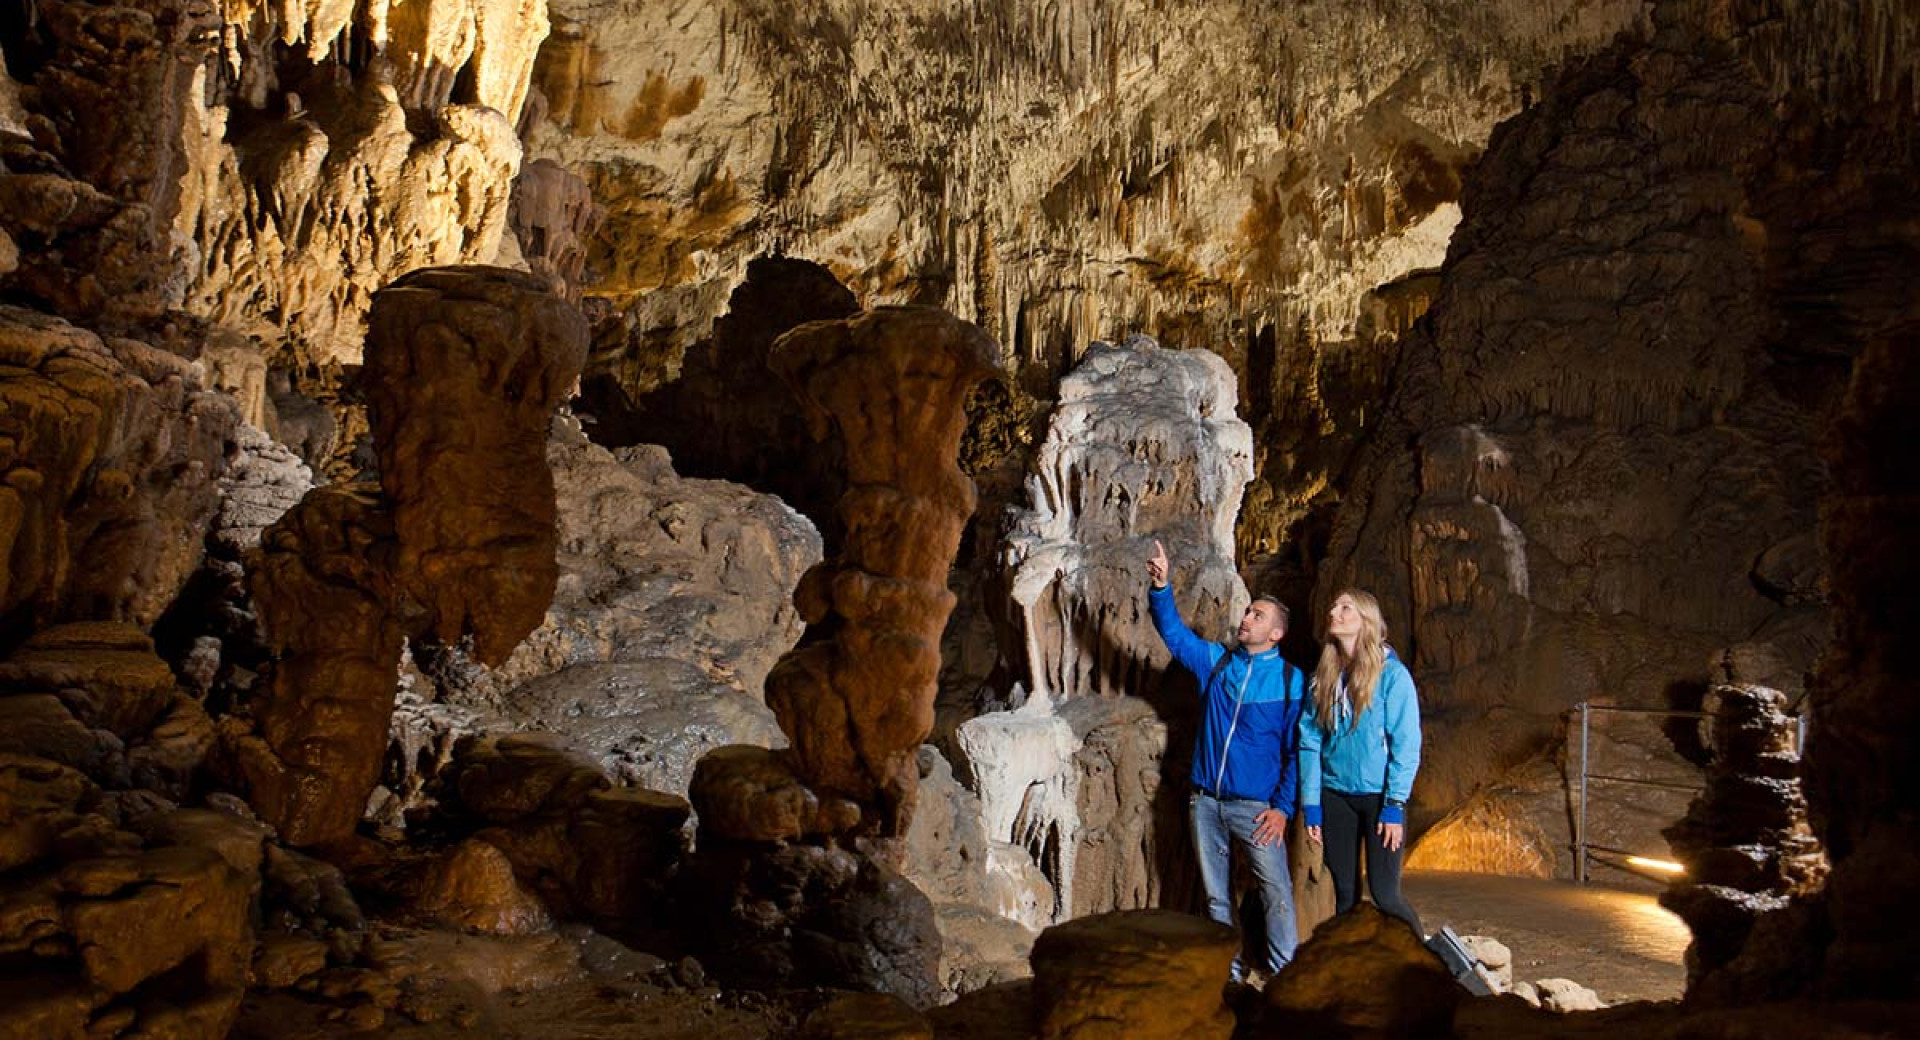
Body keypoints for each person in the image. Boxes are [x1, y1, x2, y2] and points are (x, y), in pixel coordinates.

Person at [1146, 539, 1306, 980]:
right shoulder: (1217, 664)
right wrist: (1161, 587)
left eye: (1257, 615)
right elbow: (1175, 636)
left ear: (1275, 633)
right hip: (1206, 802)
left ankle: (1285, 978)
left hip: (1256, 810)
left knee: (1275, 892)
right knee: (1217, 897)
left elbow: (1296, 752)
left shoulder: (1292, 682)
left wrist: (1282, 808)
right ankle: (1231, 977)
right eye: (1248, 611)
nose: (1246, 617)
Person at [1299, 589, 1424, 934]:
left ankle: (1425, 964)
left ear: (1366, 620)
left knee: (1385, 894)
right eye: (1333, 605)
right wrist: (1312, 804)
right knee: (1344, 892)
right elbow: (1309, 743)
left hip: (1379, 798)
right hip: (1335, 795)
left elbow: (1407, 743)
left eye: (1345, 607)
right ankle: (1351, 966)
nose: (1333, 612)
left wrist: (1395, 804)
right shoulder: (1322, 678)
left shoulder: (1392, 676)